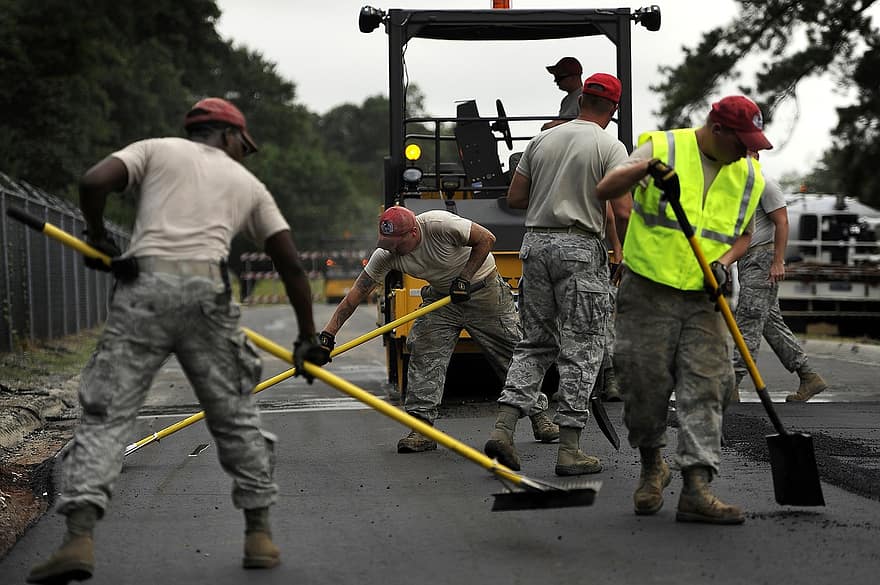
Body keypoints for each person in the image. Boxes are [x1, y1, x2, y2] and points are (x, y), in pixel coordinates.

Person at [27, 98, 329, 584]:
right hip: (206, 293)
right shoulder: (248, 183)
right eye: (241, 145)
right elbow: (291, 265)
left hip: (143, 289)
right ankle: (259, 536)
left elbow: (92, 182)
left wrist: (100, 235)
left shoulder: (153, 150)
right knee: (234, 414)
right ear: (230, 136)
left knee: (108, 412)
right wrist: (306, 339)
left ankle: (78, 538)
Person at [596, 95, 773, 525]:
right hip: (647, 290)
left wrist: (724, 262)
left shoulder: (749, 174)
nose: (750, 151)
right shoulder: (664, 147)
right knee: (643, 384)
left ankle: (697, 486)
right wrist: (645, 170)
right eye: (743, 142)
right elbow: (604, 190)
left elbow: (744, 235)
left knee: (708, 385)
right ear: (717, 130)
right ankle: (652, 464)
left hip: (703, 296)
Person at [483, 72, 632, 476]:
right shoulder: (609, 146)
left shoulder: (542, 140)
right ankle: (570, 451)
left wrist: (552, 195)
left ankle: (503, 429)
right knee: (581, 349)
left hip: (535, 245)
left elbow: (515, 197)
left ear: (581, 99)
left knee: (534, 343)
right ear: (613, 109)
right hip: (580, 250)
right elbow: (621, 210)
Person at [319, 206, 559, 453]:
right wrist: (328, 335)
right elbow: (356, 295)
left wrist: (464, 277)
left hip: (484, 293)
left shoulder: (439, 225)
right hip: (442, 299)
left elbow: (487, 239)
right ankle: (422, 429)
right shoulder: (386, 253)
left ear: (413, 233)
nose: (391, 249)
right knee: (424, 350)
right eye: (386, 243)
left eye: (396, 243)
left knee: (512, 354)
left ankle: (539, 415)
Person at [730, 165, 827, 404]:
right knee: (770, 323)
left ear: (754, 156)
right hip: (748, 260)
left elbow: (782, 222)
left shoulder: (766, 184)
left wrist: (778, 261)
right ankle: (808, 376)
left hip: (762, 259)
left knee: (748, 319)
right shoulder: (741, 187)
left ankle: (731, 383)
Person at [541, 57, 584, 131]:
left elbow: (585, 124)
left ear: (573, 77)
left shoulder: (586, 97)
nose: (555, 81)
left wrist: (554, 125)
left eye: (559, 77)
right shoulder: (565, 101)